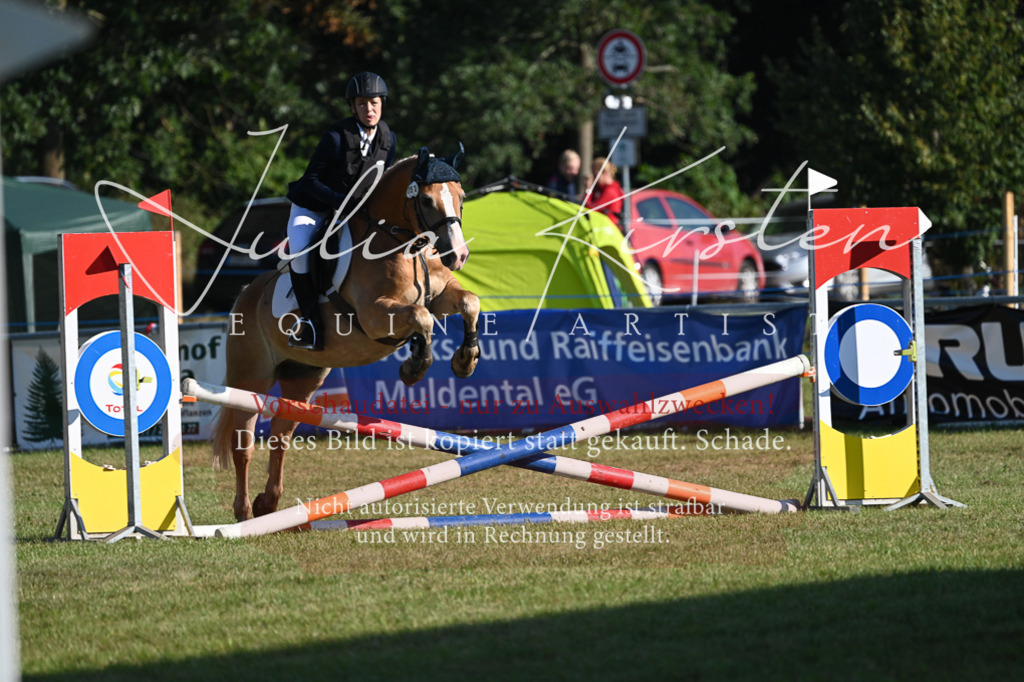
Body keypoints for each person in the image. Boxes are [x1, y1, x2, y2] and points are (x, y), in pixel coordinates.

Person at [284, 71, 397, 351]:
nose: (368, 109)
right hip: (314, 207)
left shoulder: (388, 139)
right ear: (353, 107)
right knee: (299, 252)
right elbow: (311, 180)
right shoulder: (335, 137)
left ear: (382, 103)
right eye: (361, 104)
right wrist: (342, 202)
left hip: (353, 212)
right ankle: (308, 323)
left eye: (373, 103)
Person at [583, 157, 625, 227]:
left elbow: (590, 210)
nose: (593, 177)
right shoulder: (612, 188)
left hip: (608, 230)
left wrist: (588, 190)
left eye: (595, 174)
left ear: (603, 173)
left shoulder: (610, 192)